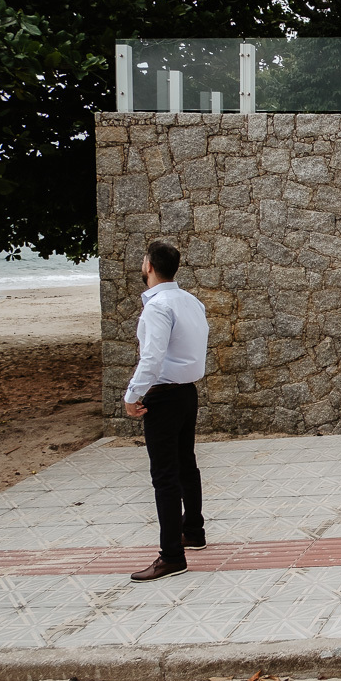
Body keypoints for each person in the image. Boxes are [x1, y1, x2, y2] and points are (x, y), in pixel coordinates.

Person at [124, 240, 210, 582]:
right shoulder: (191, 302)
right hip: (187, 393)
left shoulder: (158, 307)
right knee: (186, 463)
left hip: (163, 396)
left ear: (149, 265)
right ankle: (194, 531)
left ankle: (172, 556)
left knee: (165, 476)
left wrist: (133, 394)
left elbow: (152, 357)